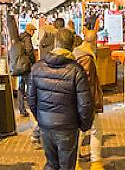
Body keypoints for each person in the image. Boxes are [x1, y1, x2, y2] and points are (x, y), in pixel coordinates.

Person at [28, 29, 94, 170]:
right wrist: (84, 125)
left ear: (55, 44)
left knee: (51, 164)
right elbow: (85, 104)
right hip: (67, 126)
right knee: (67, 166)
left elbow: (31, 99)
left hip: (46, 125)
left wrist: (40, 118)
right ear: (71, 46)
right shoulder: (76, 70)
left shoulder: (38, 67)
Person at [73, 29, 104, 170]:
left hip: (77, 99)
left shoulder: (76, 53)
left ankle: (76, 161)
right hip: (87, 100)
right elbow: (88, 83)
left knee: (81, 130)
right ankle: (95, 161)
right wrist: (92, 102)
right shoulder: (87, 57)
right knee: (94, 130)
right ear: (94, 41)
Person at [9, 22, 33, 118]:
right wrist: (31, 61)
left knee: (21, 88)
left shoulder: (19, 37)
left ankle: (21, 108)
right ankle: (32, 108)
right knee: (31, 87)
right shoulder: (27, 38)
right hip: (26, 66)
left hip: (20, 66)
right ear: (30, 30)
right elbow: (29, 50)